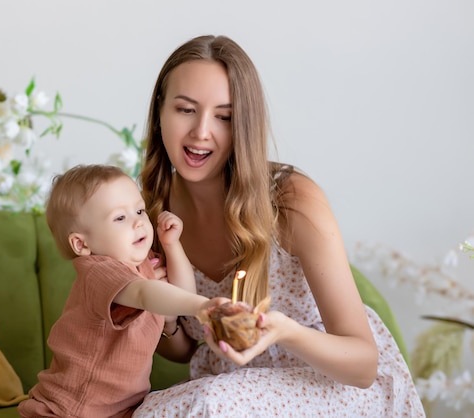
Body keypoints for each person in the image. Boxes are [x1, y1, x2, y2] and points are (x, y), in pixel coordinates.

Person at [133, 35, 425, 417]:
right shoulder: (150, 209)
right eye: (186, 110)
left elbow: (363, 365)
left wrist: (283, 330)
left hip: (333, 388)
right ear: (160, 111)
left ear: (245, 125)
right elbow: (185, 348)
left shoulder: (291, 202)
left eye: (224, 117)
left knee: (199, 405)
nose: (201, 131)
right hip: (235, 392)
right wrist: (167, 317)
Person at [18, 164, 227, 418]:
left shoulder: (143, 262)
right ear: (82, 244)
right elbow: (142, 294)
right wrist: (201, 305)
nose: (139, 221)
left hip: (123, 408)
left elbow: (181, 292)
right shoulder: (99, 271)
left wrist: (172, 245)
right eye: (120, 218)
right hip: (70, 409)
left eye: (139, 210)